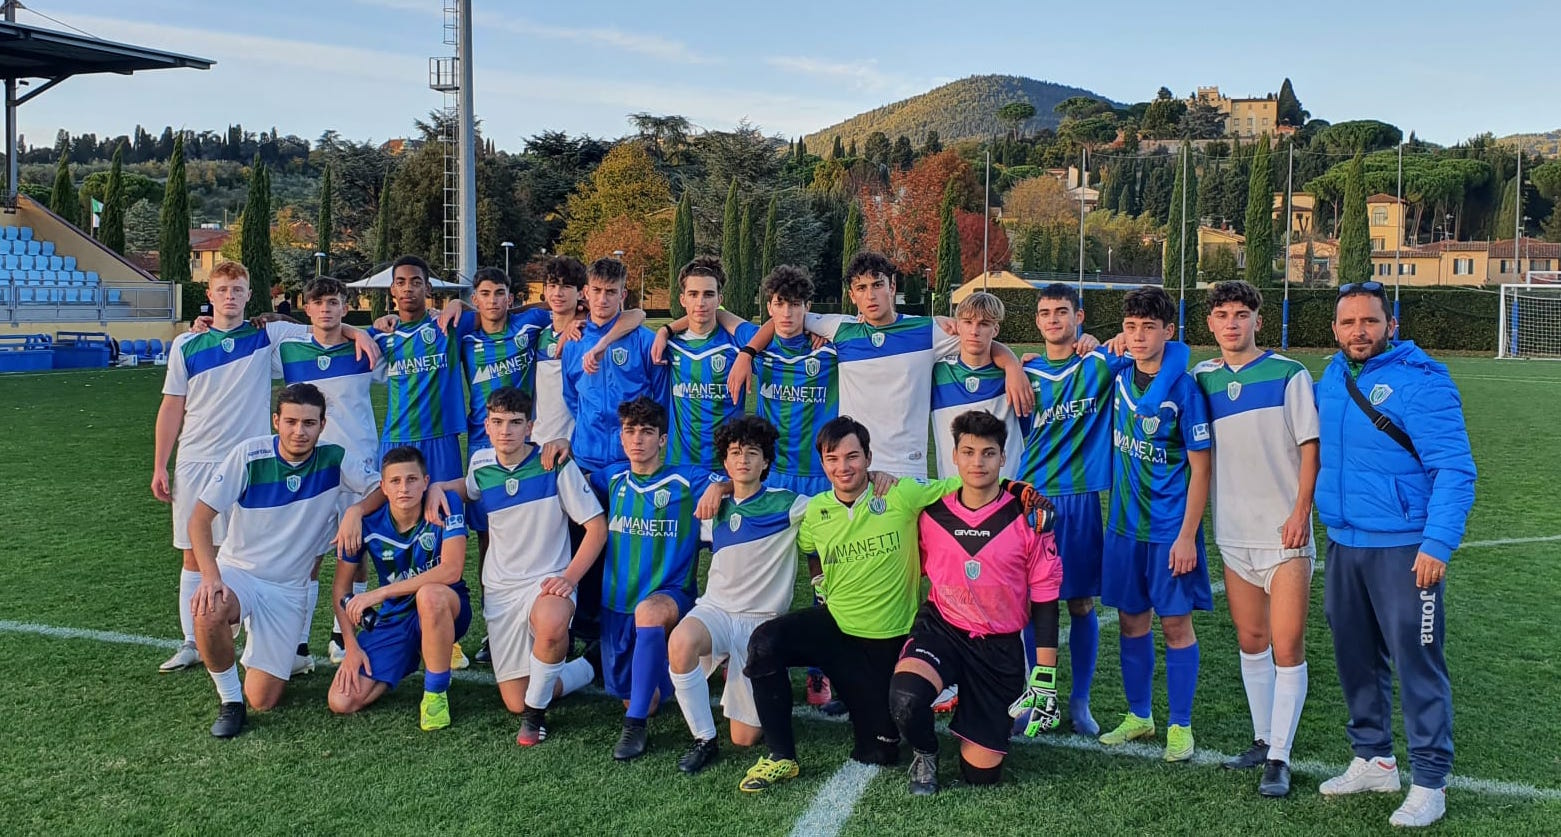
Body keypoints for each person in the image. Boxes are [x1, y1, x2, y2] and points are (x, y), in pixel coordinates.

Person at [153, 260, 368, 673]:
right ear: (209, 295)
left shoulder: (267, 336)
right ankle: (192, 641)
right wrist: (160, 465)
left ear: (249, 296)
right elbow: (172, 406)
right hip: (197, 459)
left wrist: (358, 331)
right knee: (193, 554)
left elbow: (323, 327)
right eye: (222, 290)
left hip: (254, 464)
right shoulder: (186, 344)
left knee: (258, 555)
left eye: (238, 290)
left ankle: (268, 645)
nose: (230, 297)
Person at [1314, 281, 1475, 828]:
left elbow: (1454, 469)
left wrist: (1437, 544)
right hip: (1344, 543)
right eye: (1349, 322)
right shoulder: (1331, 377)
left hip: (1404, 549)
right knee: (1355, 657)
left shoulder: (1422, 382)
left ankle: (1430, 781)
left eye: (1370, 321)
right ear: (1335, 330)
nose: (1359, 331)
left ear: (1391, 325)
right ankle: (1374, 759)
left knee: (1417, 663)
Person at [738, 416, 957, 793]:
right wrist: (819, 581)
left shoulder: (900, 494)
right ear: (823, 463)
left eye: (852, 456)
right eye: (832, 458)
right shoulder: (816, 510)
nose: (843, 467)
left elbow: (966, 483)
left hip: (887, 640)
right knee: (764, 642)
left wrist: (1019, 491)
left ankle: (868, 709)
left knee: (881, 751)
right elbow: (810, 548)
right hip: (836, 629)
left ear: (869, 457)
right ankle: (781, 756)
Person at [1013, 283, 1187, 735]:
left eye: (1062, 311)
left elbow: (1176, 351)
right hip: (1031, 499)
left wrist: (1114, 341)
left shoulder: (1100, 362)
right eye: (1045, 313)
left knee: (1080, 602)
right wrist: (1009, 364)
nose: (1053, 319)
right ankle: (1038, 699)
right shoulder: (1024, 373)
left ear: (1079, 317)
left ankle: (1080, 702)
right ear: (1036, 321)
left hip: (1080, 498)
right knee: (1032, 603)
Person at [728, 251, 1034, 479]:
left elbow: (978, 337)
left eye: (877, 284)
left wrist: (1011, 366)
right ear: (852, 295)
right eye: (861, 288)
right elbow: (784, 318)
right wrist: (747, 353)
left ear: (892, 286)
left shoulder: (926, 331)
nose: (871, 295)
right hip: (857, 466)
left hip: (908, 469)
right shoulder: (840, 329)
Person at [187, 383, 381, 738]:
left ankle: (261, 653)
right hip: (239, 573)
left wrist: (355, 510)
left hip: (288, 589)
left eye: (309, 423)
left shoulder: (335, 458)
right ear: (276, 421)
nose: (299, 431)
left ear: (322, 425)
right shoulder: (249, 455)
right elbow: (199, 519)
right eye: (291, 421)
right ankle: (230, 701)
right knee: (208, 607)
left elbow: (382, 488)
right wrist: (211, 577)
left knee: (264, 699)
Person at [888, 410, 1063, 795]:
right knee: (905, 699)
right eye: (968, 452)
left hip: (997, 648)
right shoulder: (930, 512)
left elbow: (1046, 599)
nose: (977, 462)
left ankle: (983, 712)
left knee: (981, 776)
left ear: (1003, 458)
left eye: (988, 453)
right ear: (954, 456)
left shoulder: (1030, 517)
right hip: (943, 629)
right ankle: (925, 753)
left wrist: (1045, 675)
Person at [1191, 281, 1318, 798]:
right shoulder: (1202, 378)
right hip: (1233, 532)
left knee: (1287, 645)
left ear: (1258, 322)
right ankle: (1263, 740)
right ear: (1210, 323)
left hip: (1284, 534)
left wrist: (1301, 512)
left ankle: (1281, 758)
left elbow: (1310, 449)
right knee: (1251, 641)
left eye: (1241, 314)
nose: (1232, 323)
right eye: (1222, 315)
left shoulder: (1290, 374)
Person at [427, 387, 606, 745]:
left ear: (530, 427)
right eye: (497, 422)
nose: (505, 431)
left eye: (514, 422)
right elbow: (467, 488)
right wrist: (437, 488)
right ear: (486, 426)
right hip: (501, 592)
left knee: (552, 623)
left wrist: (569, 578)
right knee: (515, 700)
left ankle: (534, 719)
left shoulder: (553, 464)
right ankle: (591, 665)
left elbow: (597, 528)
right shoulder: (481, 464)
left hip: (546, 583)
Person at [1097, 286, 1213, 763]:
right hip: (1124, 528)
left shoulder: (1185, 390)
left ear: (1169, 331)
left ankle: (1180, 726)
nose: (1139, 336)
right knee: (1130, 622)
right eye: (1131, 327)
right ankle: (1139, 715)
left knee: (1176, 626)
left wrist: (1187, 537)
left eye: (1149, 327)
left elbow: (1201, 470)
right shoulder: (1118, 376)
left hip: (1169, 532)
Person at [667, 415, 810, 774]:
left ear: (766, 461)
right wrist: (720, 489)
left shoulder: (788, 504)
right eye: (734, 453)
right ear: (725, 461)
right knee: (681, 642)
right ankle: (704, 738)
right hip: (716, 610)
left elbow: (835, 504)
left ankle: (750, 671)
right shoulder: (713, 506)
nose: (743, 459)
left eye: (752, 453)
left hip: (758, 623)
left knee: (745, 738)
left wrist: (875, 478)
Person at [555, 258, 667, 657]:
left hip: (630, 466)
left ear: (624, 294)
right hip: (587, 463)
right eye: (597, 291)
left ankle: (628, 632)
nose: (603, 299)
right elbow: (573, 397)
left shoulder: (643, 341)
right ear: (586, 292)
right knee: (584, 546)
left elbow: (658, 398)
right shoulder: (573, 341)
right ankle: (586, 630)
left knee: (627, 550)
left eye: (612, 292)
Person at [596, 397, 716, 761]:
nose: (638, 439)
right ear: (621, 437)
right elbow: (568, 485)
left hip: (670, 595)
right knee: (645, 701)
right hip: (616, 605)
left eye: (647, 432)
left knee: (648, 614)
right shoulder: (610, 478)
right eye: (630, 431)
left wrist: (720, 488)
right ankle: (590, 664)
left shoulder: (686, 480)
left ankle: (633, 728)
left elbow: (738, 480)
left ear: (662, 439)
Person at [273, 276, 380, 668]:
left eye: (333, 302)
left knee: (355, 552)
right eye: (318, 303)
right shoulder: (288, 348)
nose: (326, 309)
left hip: (358, 463)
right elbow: (249, 330)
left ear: (345, 307)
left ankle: (342, 634)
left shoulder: (366, 347)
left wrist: (362, 332)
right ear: (307, 308)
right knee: (309, 555)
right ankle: (299, 644)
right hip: (310, 466)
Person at [372, 255, 472, 669]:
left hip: (440, 440)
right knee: (391, 527)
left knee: (443, 526)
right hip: (397, 441)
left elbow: (498, 309)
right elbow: (329, 329)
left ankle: (445, 631)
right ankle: (391, 620)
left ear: (428, 288)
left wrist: (460, 303)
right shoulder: (381, 336)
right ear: (392, 290)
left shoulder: (448, 325)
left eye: (416, 281)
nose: (408, 288)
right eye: (401, 282)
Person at [326, 446, 470, 731]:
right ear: (383, 487)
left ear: (426, 482)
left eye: (412, 479)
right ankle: (413, 653)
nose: (404, 488)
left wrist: (380, 593)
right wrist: (351, 647)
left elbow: (451, 569)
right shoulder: (367, 525)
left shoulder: (445, 504)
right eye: (395, 481)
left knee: (429, 595)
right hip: (395, 619)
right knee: (342, 700)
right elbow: (341, 589)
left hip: (448, 607)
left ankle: (435, 695)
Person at [651, 256, 759, 469]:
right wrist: (665, 330)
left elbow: (776, 335)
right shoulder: (668, 346)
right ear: (683, 299)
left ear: (720, 300)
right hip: (679, 465)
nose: (700, 303)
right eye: (693, 294)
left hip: (726, 467)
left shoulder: (739, 346)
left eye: (708, 295)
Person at [930, 292, 1024, 480]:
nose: (974, 331)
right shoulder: (936, 372)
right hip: (954, 491)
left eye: (984, 324)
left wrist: (1014, 366)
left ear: (995, 330)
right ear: (957, 326)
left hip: (1005, 491)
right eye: (968, 322)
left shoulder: (1014, 377)